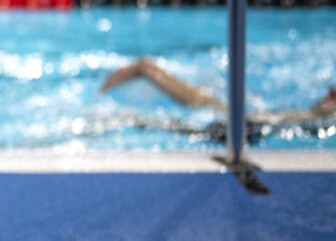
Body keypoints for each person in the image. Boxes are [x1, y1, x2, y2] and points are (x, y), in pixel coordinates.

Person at [101, 58, 336, 143]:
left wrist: (100, 95)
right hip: (234, 121)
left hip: (234, 123)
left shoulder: (206, 101)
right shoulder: (203, 101)